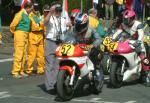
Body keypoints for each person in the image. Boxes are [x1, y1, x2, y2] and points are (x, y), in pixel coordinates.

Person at [112, 10, 150, 86]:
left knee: (143, 57)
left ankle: (146, 75)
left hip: (139, 41)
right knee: (117, 49)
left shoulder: (138, 24)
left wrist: (138, 41)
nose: (126, 21)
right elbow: (117, 33)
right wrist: (112, 39)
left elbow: (141, 34)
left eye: (127, 19)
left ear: (132, 18)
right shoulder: (123, 24)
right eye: (124, 19)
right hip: (128, 41)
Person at [44, 2, 71, 91]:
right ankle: (50, 86)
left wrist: (70, 26)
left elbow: (66, 31)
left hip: (60, 43)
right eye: (57, 10)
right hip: (50, 42)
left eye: (60, 11)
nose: (58, 12)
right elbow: (44, 22)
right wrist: (50, 12)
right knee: (49, 65)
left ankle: (56, 83)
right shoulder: (49, 17)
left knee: (57, 64)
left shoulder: (63, 18)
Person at [10, 2, 33, 78]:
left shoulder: (27, 15)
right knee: (19, 53)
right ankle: (15, 71)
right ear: (27, 8)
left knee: (24, 54)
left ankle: (21, 70)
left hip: (25, 34)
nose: (32, 10)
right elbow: (13, 25)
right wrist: (15, 33)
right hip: (20, 34)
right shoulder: (20, 14)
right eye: (31, 9)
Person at [26, 2, 45, 75]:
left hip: (40, 35)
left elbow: (42, 24)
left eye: (37, 8)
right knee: (32, 54)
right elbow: (35, 27)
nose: (36, 9)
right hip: (33, 35)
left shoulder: (39, 15)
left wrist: (40, 25)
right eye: (35, 8)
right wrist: (40, 25)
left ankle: (40, 69)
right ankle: (29, 70)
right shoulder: (30, 15)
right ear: (32, 8)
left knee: (41, 54)